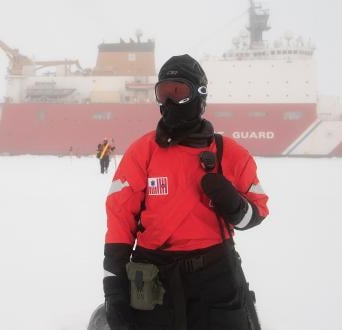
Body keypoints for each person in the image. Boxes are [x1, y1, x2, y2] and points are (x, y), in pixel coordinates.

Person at [101, 54, 269, 330]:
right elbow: (119, 220)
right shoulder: (142, 153)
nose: (168, 102)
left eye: (178, 92)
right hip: (154, 278)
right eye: (163, 93)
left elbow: (257, 212)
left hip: (217, 275)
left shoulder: (231, 154)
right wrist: (114, 287)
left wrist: (234, 204)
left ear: (199, 94)